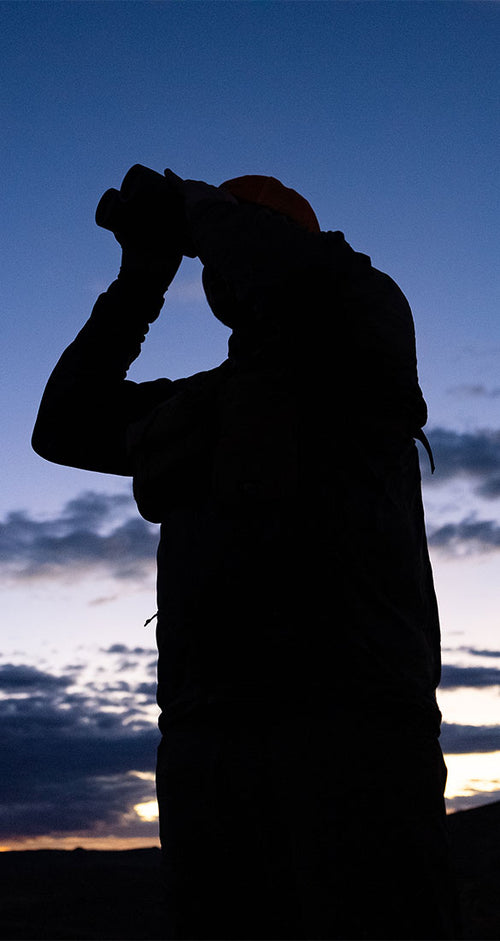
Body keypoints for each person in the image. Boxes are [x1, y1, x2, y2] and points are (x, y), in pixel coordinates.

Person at [32, 165, 461, 939]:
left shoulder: (366, 329)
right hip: (210, 750)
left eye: (239, 232)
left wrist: (190, 204)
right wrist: (141, 276)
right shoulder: (197, 403)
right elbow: (64, 423)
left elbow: (292, 272)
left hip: (356, 743)